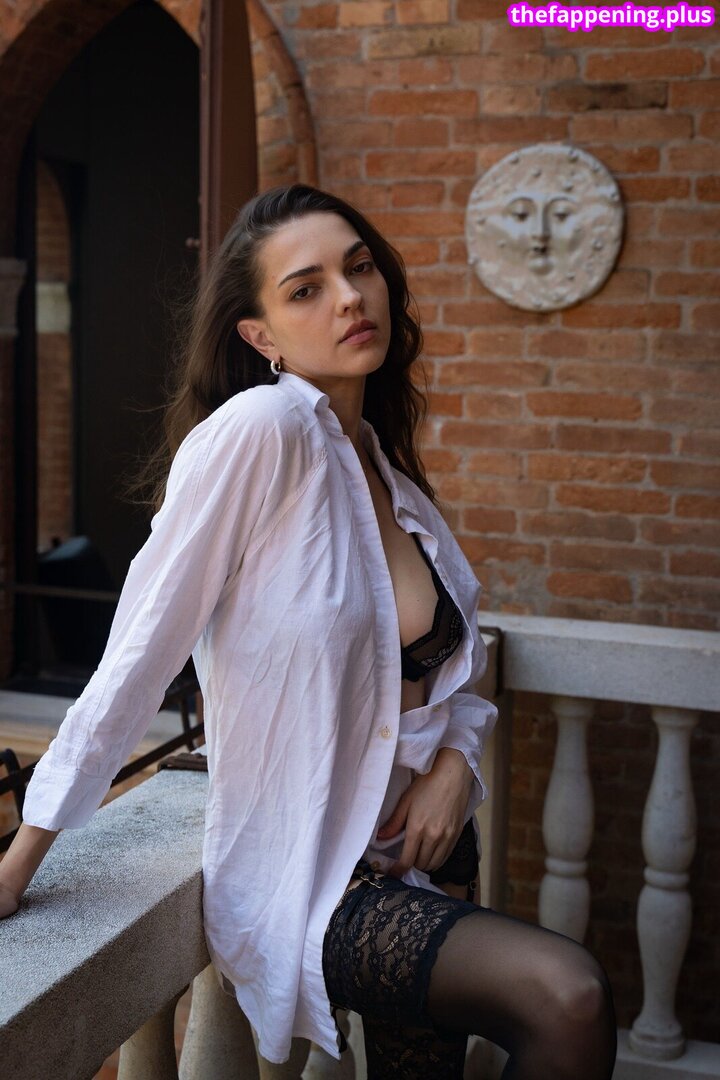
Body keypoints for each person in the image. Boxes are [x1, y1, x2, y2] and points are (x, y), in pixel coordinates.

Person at [0, 184, 616, 1078]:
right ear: (262, 336)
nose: (350, 297)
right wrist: (22, 857)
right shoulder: (260, 431)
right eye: (307, 288)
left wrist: (456, 765)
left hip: (431, 848)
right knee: (569, 996)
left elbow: (463, 661)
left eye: (359, 268)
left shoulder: (384, 469)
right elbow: (140, 651)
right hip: (322, 874)